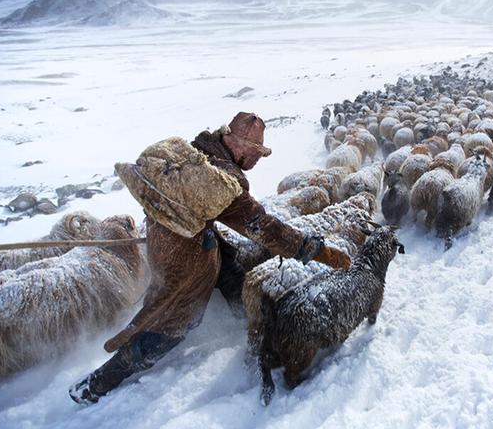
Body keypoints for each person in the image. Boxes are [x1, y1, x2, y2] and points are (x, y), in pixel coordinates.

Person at [70, 112, 350, 404]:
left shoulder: (202, 150)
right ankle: (96, 384)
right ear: (238, 145)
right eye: (256, 153)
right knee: (174, 323)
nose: (258, 160)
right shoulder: (221, 183)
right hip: (183, 253)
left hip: (172, 234)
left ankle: (254, 325)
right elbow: (262, 227)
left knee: (230, 268)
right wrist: (313, 250)